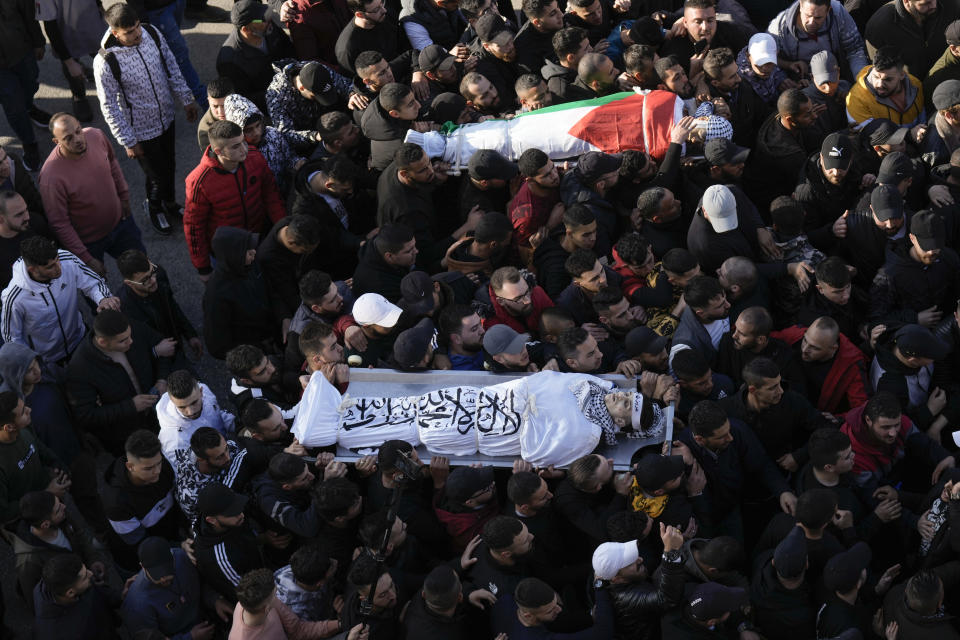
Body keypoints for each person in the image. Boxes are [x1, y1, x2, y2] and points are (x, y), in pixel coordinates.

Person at [94, 2, 199, 234]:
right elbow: (109, 105)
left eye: (137, 27)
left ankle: (170, 203)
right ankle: (154, 207)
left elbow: (170, 65)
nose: (137, 34)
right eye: (129, 32)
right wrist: (128, 141)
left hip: (167, 118)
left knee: (169, 165)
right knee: (155, 175)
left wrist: (186, 98)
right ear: (115, 33)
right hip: (141, 130)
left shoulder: (152, 33)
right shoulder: (105, 61)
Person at [1, 236, 120, 381]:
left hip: (80, 339)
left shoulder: (66, 259)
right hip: (48, 361)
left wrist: (103, 298)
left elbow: (92, 283)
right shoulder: (14, 298)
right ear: (32, 269)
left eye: (57, 260)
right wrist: (31, 364)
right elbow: (12, 338)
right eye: (50, 266)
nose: (59, 267)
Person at [40, 113, 144, 274]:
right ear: (56, 142)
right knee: (96, 293)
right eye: (68, 138)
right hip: (89, 244)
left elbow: (112, 162)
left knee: (142, 271)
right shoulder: (51, 178)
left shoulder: (96, 135)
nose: (78, 139)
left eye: (78, 131)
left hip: (121, 223)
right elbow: (59, 223)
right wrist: (86, 258)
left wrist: (124, 198)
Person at [678, 401, 798, 538]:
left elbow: (761, 463)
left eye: (728, 431)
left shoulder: (737, 430)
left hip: (731, 510)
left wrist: (783, 490)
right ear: (700, 439)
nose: (730, 438)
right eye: (722, 436)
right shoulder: (682, 453)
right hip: (705, 518)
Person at [184, 120, 285, 279]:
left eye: (243, 142)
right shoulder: (199, 181)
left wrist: (282, 228)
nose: (244, 149)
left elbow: (271, 195)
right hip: (227, 253)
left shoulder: (255, 158)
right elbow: (194, 227)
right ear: (219, 151)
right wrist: (203, 268)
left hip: (259, 239)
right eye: (235, 146)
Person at [65, 309, 170, 456]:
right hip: (127, 436)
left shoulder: (128, 329)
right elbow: (86, 416)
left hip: (159, 417)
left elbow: (165, 349)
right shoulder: (80, 369)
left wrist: (162, 379)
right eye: (123, 341)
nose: (131, 341)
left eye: (129, 336)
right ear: (102, 342)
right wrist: (130, 406)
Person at [6, 490, 107, 611]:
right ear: (45, 525)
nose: (64, 507)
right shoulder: (29, 562)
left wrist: (93, 559)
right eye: (58, 509)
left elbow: (80, 535)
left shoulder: (60, 516)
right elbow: (37, 602)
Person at [102, 429, 182, 573]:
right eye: (149, 468)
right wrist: (179, 547)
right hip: (139, 561)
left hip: (170, 537)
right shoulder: (116, 502)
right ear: (130, 466)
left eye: (159, 463)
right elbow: (139, 542)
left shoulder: (163, 468)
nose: (157, 471)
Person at [121, 536, 229, 640]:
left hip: (206, 620)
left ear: (172, 557)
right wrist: (190, 637)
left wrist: (215, 599)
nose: (164, 579)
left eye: (167, 570)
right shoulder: (137, 604)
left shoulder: (182, 558)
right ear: (142, 567)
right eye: (158, 574)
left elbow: (199, 583)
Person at [202, 227, 278, 361]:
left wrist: (283, 317)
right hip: (254, 354)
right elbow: (217, 345)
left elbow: (271, 291)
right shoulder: (216, 295)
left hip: (271, 334)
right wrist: (252, 353)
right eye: (248, 252)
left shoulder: (251, 265)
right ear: (234, 256)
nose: (254, 253)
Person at [117, 250, 203, 365]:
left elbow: (172, 306)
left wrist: (190, 334)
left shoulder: (159, 274)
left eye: (152, 272)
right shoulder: (124, 307)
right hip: (159, 362)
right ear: (129, 283)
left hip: (174, 342)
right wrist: (155, 352)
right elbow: (132, 347)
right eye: (144, 280)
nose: (153, 280)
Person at [772, 316, 870, 415]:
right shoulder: (796, 335)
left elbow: (861, 410)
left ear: (833, 348)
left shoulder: (851, 363)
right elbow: (766, 339)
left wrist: (839, 418)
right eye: (805, 340)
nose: (805, 349)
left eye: (815, 348)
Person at [193, 482, 266, 601]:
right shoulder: (221, 559)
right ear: (212, 520)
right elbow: (251, 593)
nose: (241, 515)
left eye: (238, 507)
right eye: (232, 513)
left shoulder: (231, 520)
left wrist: (263, 539)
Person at [216, 0, 295, 108]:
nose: (268, 19)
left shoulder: (268, 28)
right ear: (246, 29)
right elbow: (243, 98)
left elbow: (289, 49)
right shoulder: (229, 61)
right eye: (262, 19)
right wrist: (279, 94)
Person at [230, 567, 347, 639]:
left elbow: (298, 630)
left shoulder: (252, 602)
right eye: (275, 593)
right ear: (266, 608)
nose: (279, 594)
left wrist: (341, 623)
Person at [767, 0, 869, 81]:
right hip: (801, 84)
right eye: (808, 15)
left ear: (829, 9)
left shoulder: (838, 14)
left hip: (837, 78)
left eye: (818, 18)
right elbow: (765, 59)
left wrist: (860, 79)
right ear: (800, 6)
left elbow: (855, 49)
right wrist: (784, 74)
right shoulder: (778, 29)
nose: (811, 23)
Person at [224, 94, 304, 195]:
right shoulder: (236, 155)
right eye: (249, 130)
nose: (257, 133)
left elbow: (289, 158)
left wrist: (297, 163)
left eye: (258, 125)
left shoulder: (273, 134)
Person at [32, 553, 122, 640]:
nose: (91, 573)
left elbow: (99, 593)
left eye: (86, 570)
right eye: (85, 576)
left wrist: (122, 597)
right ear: (70, 593)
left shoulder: (58, 582)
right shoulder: (57, 634)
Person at [865, 0, 960, 81]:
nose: (934, 6)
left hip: (948, 82)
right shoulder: (880, 27)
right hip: (909, 92)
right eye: (926, 3)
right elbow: (880, 70)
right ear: (906, 1)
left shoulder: (950, 5)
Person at [156, 370, 236, 464]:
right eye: (182, 407)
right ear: (172, 402)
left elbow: (218, 415)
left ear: (201, 392)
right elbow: (186, 475)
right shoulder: (174, 440)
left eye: (194, 403)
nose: (191, 412)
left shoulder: (206, 392)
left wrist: (238, 426)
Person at [845, 46, 926, 129]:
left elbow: (923, 122)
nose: (879, 84)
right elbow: (872, 137)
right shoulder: (857, 99)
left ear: (902, 75)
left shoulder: (915, 85)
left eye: (888, 79)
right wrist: (909, 134)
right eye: (876, 77)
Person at [670, 275, 731, 367]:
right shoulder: (685, 347)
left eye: (725, 299)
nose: (728, 305)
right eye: (720, 306)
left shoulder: (721, 308)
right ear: (700, 313)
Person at [197, 76, 233, 152]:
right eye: (215, 106)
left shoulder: (245, 108)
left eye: (225, 105)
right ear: (208, 101)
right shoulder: (205, 131)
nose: (221, 112)